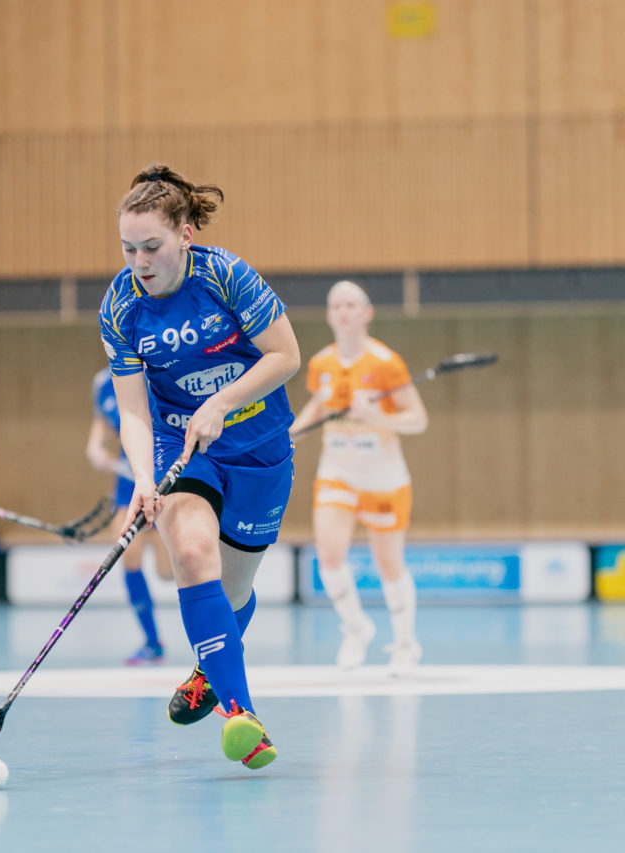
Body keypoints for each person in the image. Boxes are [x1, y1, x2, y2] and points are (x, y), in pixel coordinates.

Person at [99, 163, 301, 770]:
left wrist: (221, 401)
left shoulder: (226, 276)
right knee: (189, 554)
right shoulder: (120, 306)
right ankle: (242, 716)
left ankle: (209, 669)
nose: (140, 260)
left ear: (185, 233)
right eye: (129, 248)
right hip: (181, 449)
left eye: (152, 246)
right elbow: (132, 406)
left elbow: (286, 356)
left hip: (260, 448)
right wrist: (140, 476)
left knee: (233, 592)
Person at [289, 280, 428, 674]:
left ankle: (405, 642)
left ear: (366, 313)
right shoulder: (322, 364)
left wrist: (376, 416)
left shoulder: (386, 363)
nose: (344, 311)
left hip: (383, 478)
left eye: (351, 304)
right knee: (329, 555)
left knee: (388, 564)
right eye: (336, 305)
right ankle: (355, 627)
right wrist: (292, 434)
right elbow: (321, 402)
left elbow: (417, 419)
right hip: (337, 473)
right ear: (330, 315)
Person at [87, 367, 172, 665]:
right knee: (129, 556)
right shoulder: (102, 382)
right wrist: (96, 449)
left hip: (166, 475)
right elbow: (101, 428)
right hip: (128, 483)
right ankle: (152, 642)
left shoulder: (160, 367)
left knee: (169, 571)